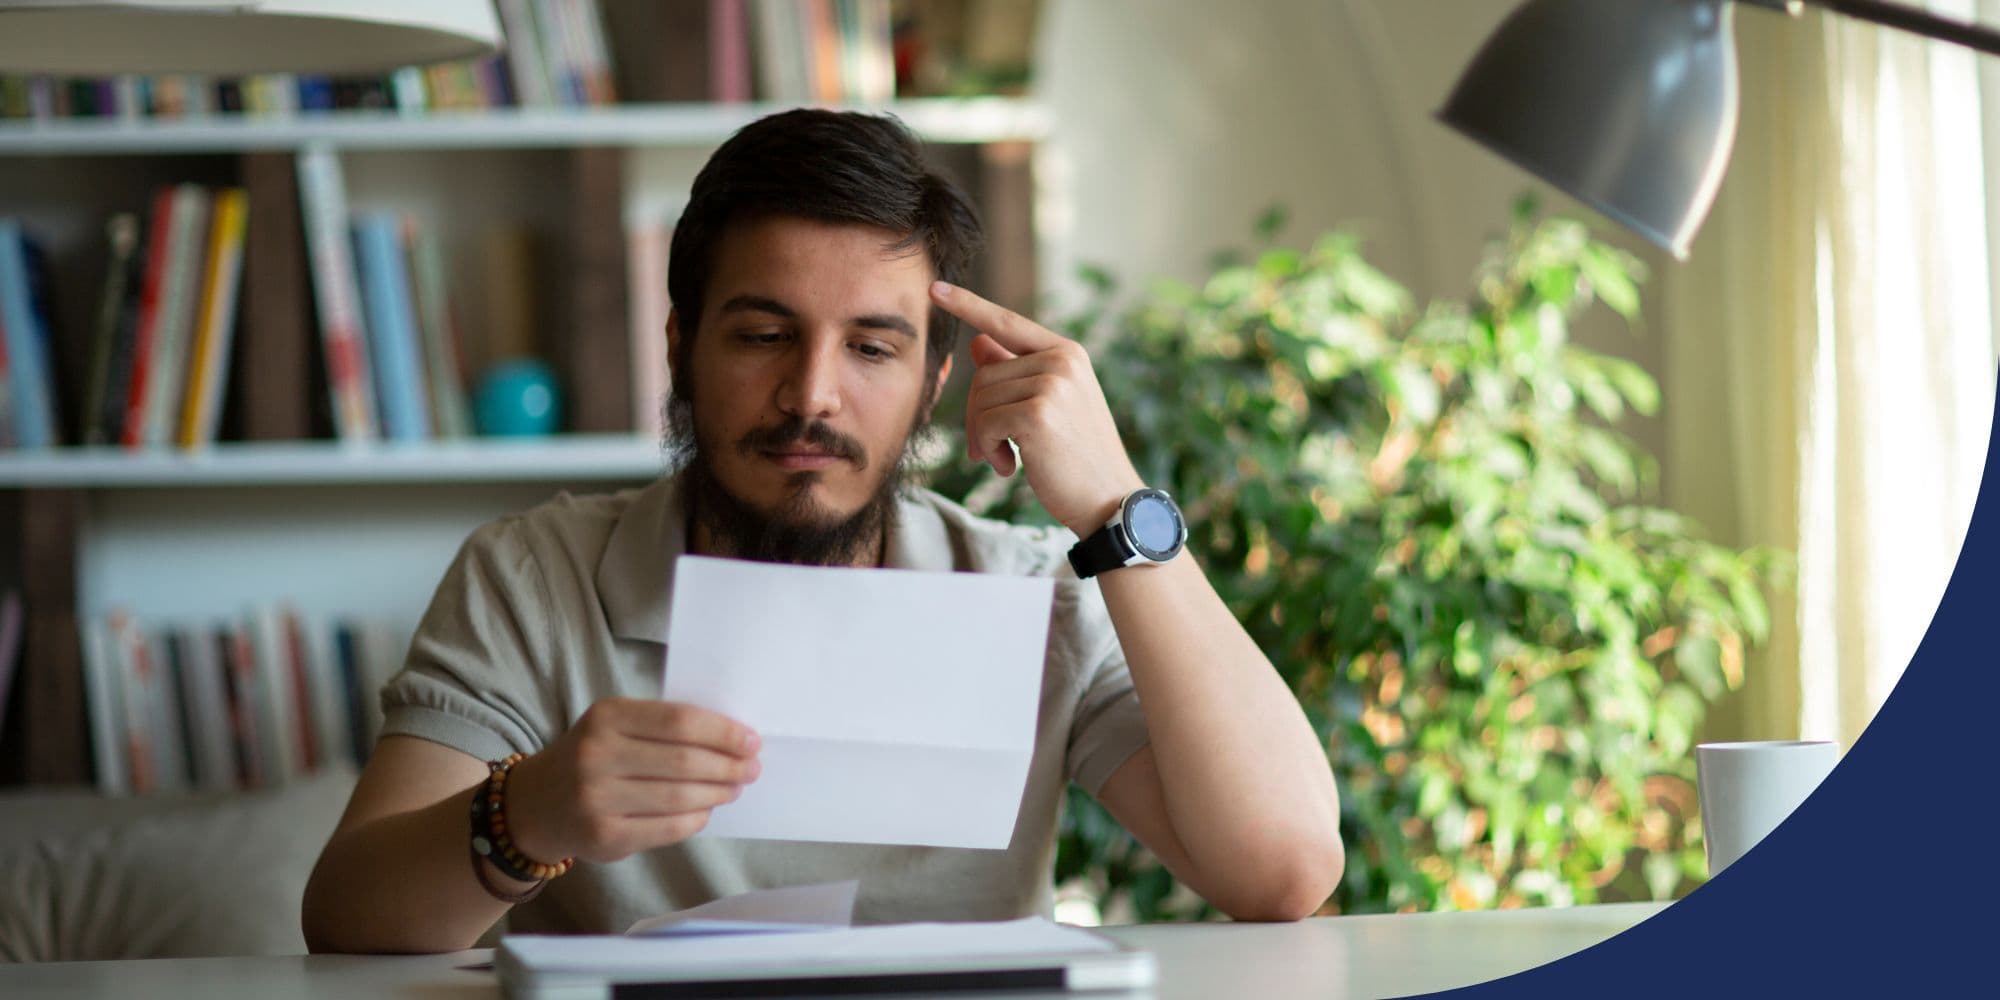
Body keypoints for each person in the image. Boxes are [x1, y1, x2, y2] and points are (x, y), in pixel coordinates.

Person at [302, 109, 1342, 953]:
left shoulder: (1034, 594)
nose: (810, 395)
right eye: (762, 335)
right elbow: (348, 920)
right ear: (680, 345)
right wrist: (526, 813)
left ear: (938, 377)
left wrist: (1116, 506)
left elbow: (1282, 867)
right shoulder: (530, 575)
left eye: (872, 349)